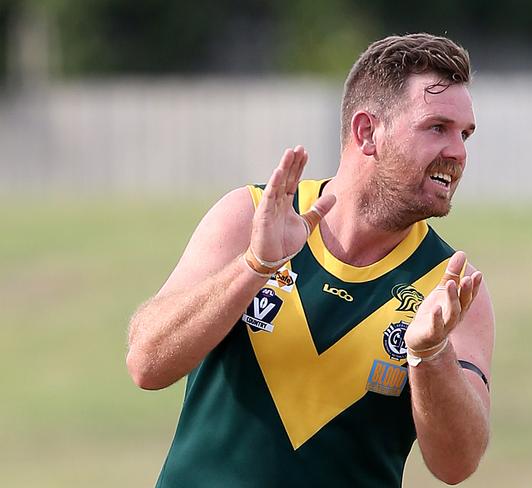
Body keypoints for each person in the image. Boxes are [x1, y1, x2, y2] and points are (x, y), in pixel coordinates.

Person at [127, 33, 495, 487]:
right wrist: (254, 266)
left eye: (465, 134)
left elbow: (457, 465)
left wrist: (430, 354)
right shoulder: (251, 215)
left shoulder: (453, 291)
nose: (458, 152)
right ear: (367, 133)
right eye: (437, 128)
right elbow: (146, 363)